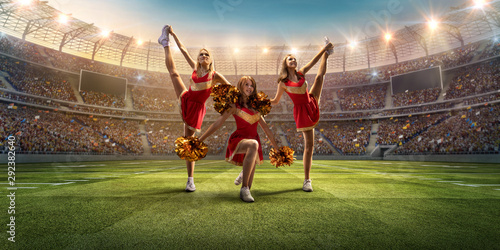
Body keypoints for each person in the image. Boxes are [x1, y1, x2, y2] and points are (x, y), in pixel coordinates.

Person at [158, 25, 231, 192]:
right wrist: (174, 35)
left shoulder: (215, 75)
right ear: (198, 58)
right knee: (174, 73)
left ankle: (190, 180)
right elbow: (183, 50)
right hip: (187, 98)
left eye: (206, 55)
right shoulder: (195, 67)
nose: (203, 56)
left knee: (188, 142)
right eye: (201, 54)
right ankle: (164, 42)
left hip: (196, 109)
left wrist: (225, 99)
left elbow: (229, 88)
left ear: (211, 60)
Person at [199, 76, 279, 202]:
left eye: (251, 85)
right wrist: (200, 139)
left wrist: (277, 148)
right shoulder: (234, 105)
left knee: (253, 147)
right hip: (238, 140)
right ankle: (243, 189)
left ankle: (245, 175)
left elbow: (267, 130)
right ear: (240, 86)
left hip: (253, 144)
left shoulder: (256, 107)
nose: (249, 87)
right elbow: (217, 123)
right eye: (246, 84)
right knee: (253, 145)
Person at [270, 38, 333, 192]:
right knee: (309, 146)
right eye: (290, 59)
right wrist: (260, 101)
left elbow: (313, 61)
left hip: (310, 99)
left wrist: (323, 50)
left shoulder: (301, 72)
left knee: (319, 77)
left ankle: (328, 54)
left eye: (294, 59)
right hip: (302, 111)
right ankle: (307, 180)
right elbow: (276, 101)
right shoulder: (283, 82)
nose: (293, 60)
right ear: (286, 63)